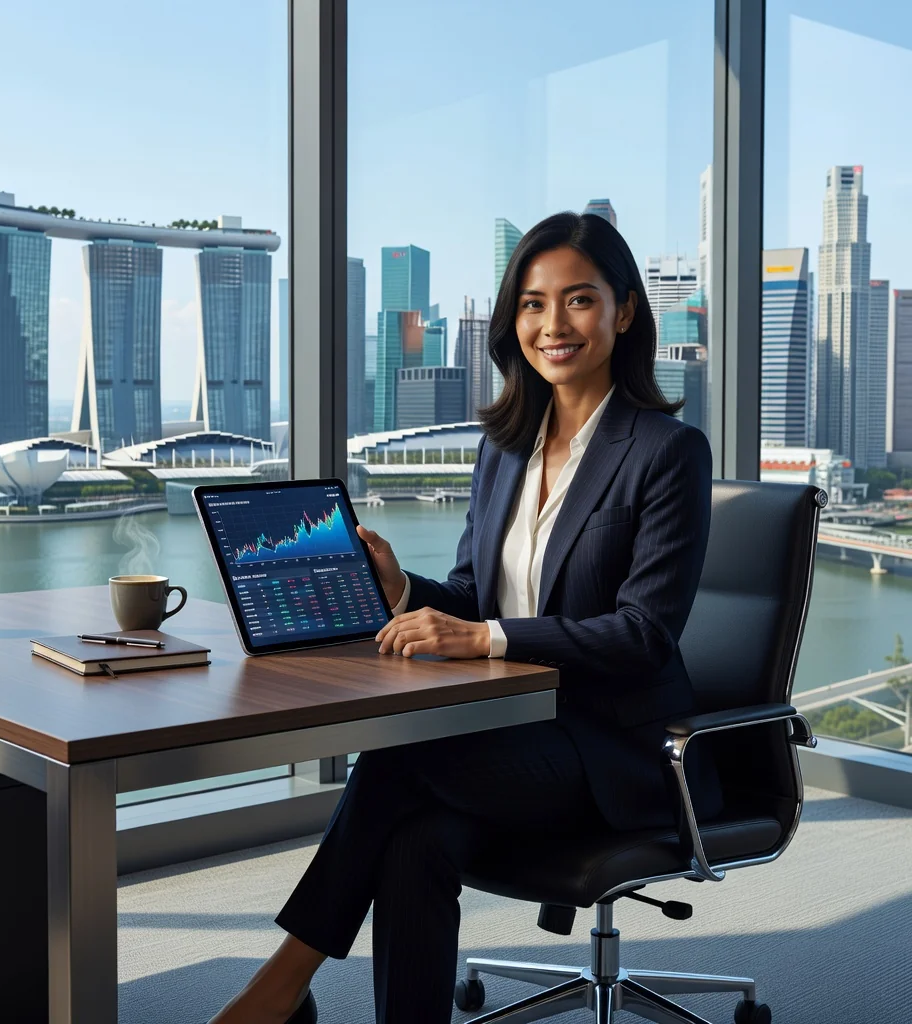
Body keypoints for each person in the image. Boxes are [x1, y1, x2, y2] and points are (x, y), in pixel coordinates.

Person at [208, 211, 722, 1024]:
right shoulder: (503, 448)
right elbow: (474, 597)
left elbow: (642, 635)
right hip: (509, 733)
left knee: (400, 754)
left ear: (624, 311)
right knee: (415, 843)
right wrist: (401, 592)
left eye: (579, 300)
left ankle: (282, 983)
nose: (553, 325)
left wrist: (483, 638)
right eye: (532, 303)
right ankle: (290, 993)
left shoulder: (666, 452)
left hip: (613, 749)